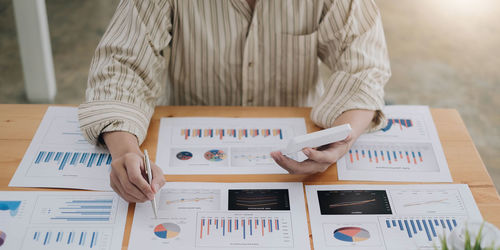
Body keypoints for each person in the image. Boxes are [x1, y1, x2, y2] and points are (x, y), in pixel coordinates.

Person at [78, 0, 391, 203]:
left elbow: (365, 65)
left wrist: (340, 136)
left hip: (297, 156)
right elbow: (122, 64)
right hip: (187, 156)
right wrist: (125, 150)